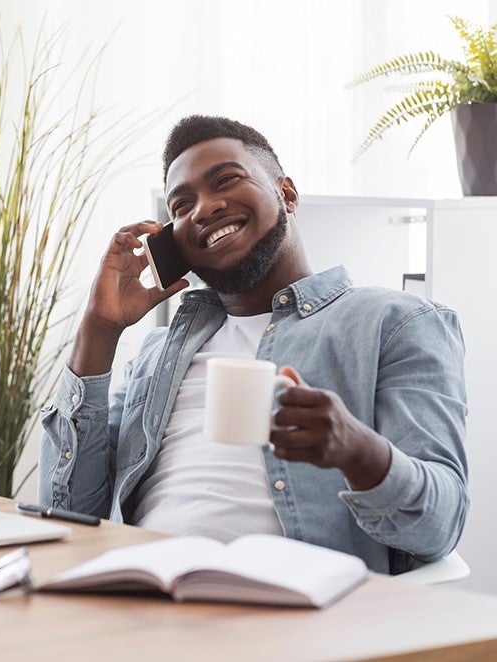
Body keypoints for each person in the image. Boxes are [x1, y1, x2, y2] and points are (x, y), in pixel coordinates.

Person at [38, 115, 468, 574]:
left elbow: (438, 528)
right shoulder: (158, 352)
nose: (203, 209)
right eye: (181, 206)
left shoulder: (397, 323)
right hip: (142, 592)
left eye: (226, 179)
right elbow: (70, 513)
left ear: (287, 193)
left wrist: (359, 452)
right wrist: (98, 331)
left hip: (294, 612)